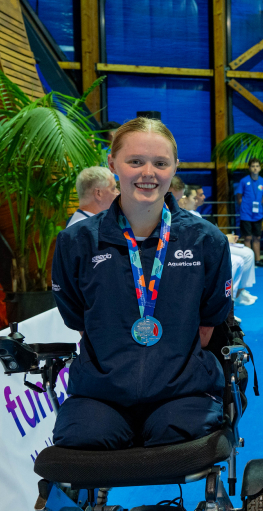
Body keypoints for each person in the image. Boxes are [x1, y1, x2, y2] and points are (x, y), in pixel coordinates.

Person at [50, 117, 233, 450]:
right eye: (135, 161)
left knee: (178, 436)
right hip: (101, 393)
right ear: (113, 164)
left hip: (183, 389)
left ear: (175, 167)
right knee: (80, 438)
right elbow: (79, 321)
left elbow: (208, 327)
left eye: (160, 163)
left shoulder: (207, 241)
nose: (148, 173)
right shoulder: (75, 242)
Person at [183, 183, 256, 307]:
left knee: (247, 253)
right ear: (183, 199)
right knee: (236, 261)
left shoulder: (194, 213)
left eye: (198, 196)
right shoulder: (184, 215)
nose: (199, 199)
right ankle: (227, 303)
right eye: (196, 197)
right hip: (198, 251)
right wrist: (225, 239)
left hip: (208, 246)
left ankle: (237, 294)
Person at [236, 159, 263, 267]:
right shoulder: (244, 181)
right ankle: (248, 262)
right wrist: (245, 207)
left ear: (260, 168)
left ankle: (257, 261)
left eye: (257, 166)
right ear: (249, 168)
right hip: (246, 214)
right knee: (247, 238)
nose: (255, 168)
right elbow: (239, 197)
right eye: (253, 166)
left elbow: (262, 198)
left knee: (257, 238)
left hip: (257, 214)